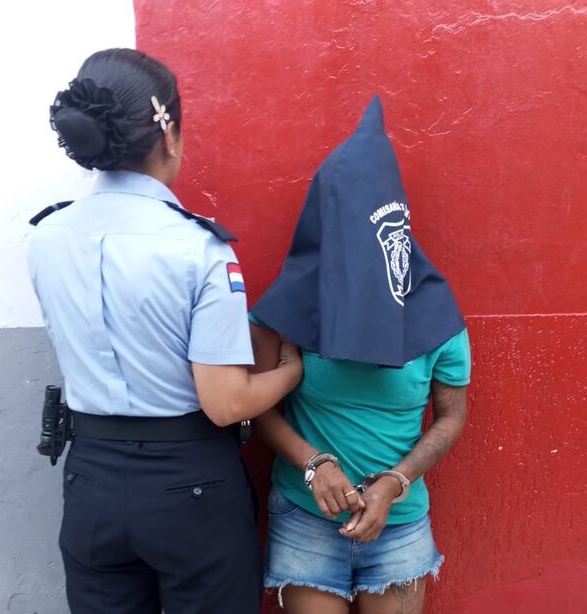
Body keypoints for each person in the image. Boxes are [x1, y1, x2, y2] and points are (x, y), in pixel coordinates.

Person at [27, 48, 302, 614]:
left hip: (91, 481)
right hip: (190, 486)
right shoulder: (198, 248)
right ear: (169, 133)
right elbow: (227, 404)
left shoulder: (46, 238)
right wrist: (290, 372)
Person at [249, 97, 471, 614]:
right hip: (306, 516)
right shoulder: (290, 306)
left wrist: (397, 481)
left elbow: (452, 415)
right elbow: (255, 406)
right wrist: (314, 464)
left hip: (399, 522)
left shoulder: (435, 314)